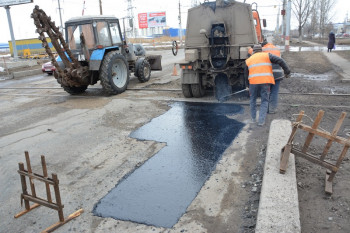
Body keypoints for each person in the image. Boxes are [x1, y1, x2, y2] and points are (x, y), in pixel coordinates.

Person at [245, 44, 291, 126]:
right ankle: (261, 121)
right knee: (264, 101)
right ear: (261, 50)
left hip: (253, 83)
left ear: (253, 51)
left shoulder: (248, 60)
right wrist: (287, 71)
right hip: (265, 82)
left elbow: (245, 74)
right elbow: (280, 60)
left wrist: (247, 86)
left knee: (252, 100)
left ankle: (252, 119)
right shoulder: (267, 55)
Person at [261, 41, 284, 113]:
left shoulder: (262, 49)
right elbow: (281, 60)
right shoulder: (277, 49)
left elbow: (252, 52)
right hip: (277, 73)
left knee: (266, 92)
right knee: (274, 92)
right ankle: (272, 109)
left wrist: (249, 48)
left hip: (267, 74)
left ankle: (265, 108)